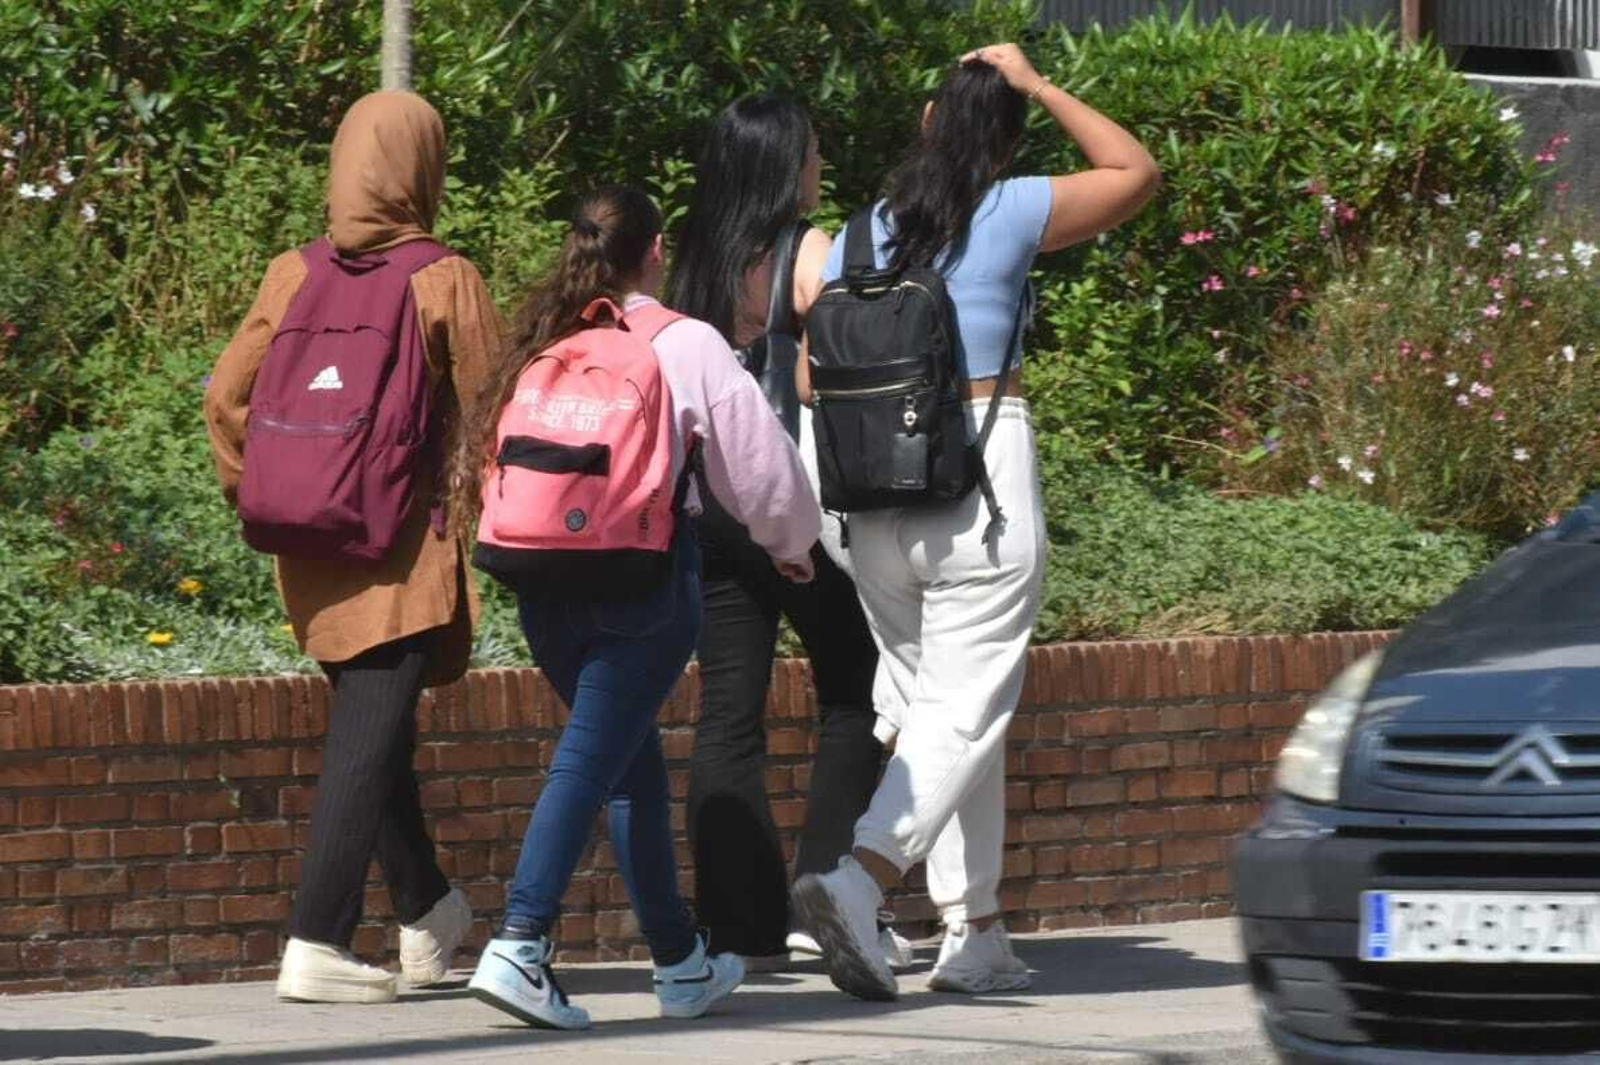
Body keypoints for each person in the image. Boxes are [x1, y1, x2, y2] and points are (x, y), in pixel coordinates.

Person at [791, 44, 1160, 1000]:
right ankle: (860, 874)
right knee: (964, 708)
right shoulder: (1012, 206)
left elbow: (809, 379)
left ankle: (977, 928)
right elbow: (1135, 171)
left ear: (926, 124)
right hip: (976, 482)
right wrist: (1038, 84)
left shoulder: (861, 232)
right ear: (1006, 141)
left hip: (873, 504)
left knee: (941, 715)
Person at [456, 185, 821, 1030]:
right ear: (656, 250)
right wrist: (792, 542)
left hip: (542, 580)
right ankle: (519, 941)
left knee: (630, 771)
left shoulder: (550, 337)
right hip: (642, 582)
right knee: (589, 765)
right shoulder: (685, 341)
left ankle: (681, 962)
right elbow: (759, 465)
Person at [205, 91, 501, 1003]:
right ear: (423, 169)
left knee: (376, 738)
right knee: (366, 741)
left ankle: (428, 911)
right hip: (401, 553)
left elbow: (224, 398)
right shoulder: (444, 278)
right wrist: (485, 515)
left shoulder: (289, 273)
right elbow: (496, 412)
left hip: (311, 549)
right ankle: (317, 939)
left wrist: (267, 488)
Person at [664, 93, 909, 970]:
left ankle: (740, 921)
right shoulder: (806, 249)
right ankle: (824, 887)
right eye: (811, 152)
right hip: (786, 498)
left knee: (729, 710)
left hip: (708, 505)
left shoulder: (691, 256)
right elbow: (845, 356)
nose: (820, 165)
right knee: (858, 686)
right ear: (783, 164)